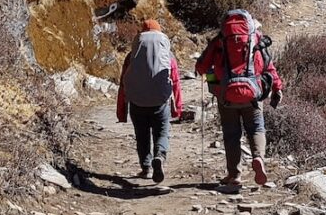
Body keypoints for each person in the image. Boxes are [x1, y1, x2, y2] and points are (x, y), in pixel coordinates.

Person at [195, 10, 282, 187]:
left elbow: (202, 67)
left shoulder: (219, 40)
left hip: (226, 95)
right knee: (256, 128)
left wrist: (211, 74)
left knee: (231, 134)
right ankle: (258, 158)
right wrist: (277, 88)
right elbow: (269, 67)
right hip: (253, 94)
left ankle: (234, 175)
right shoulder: (256, 38)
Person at [116, 20, 182, 183]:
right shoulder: (168, 55)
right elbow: (175, 81)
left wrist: (121, 111)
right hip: (160, 102)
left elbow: (123, 83)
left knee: (142, 135)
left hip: (137, 102)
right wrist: (177, 109)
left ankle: (146, 168)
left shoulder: (132, 56)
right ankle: (159, 156)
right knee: (162, 133)